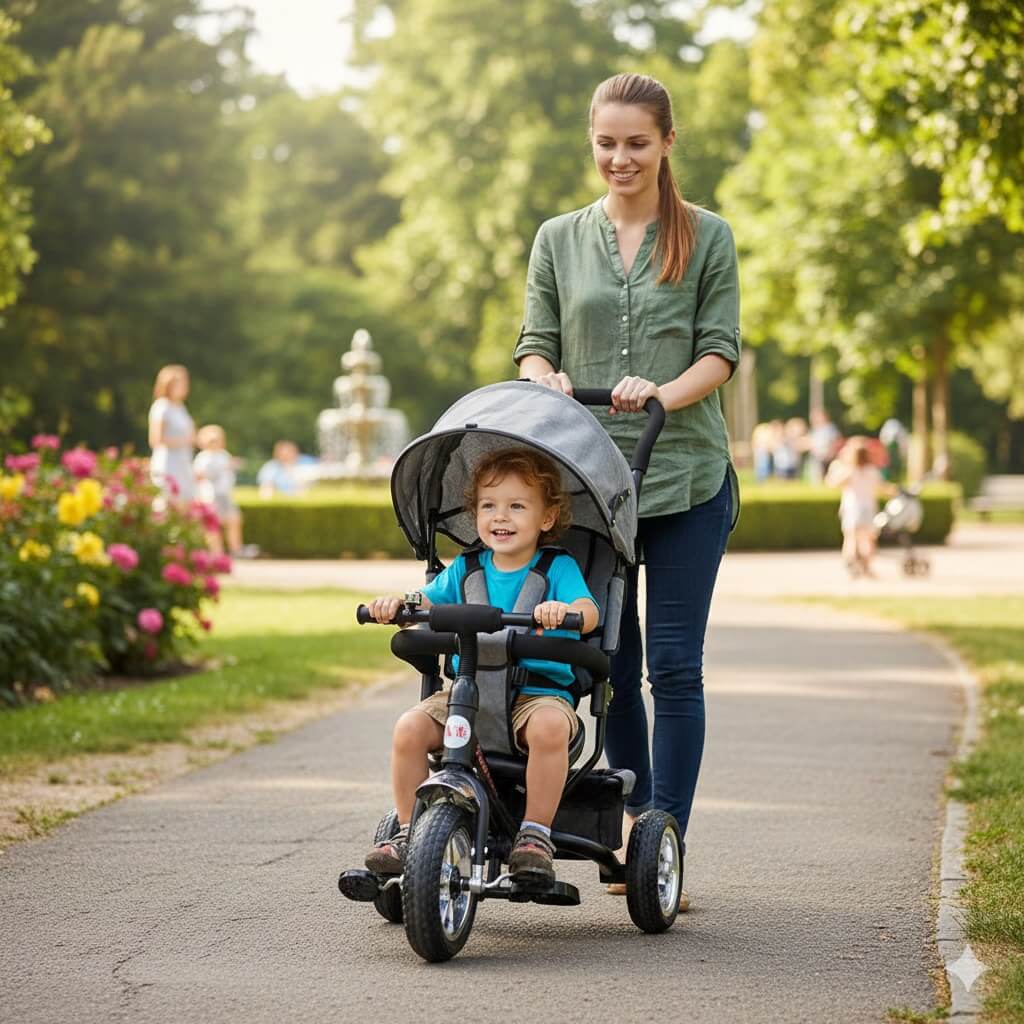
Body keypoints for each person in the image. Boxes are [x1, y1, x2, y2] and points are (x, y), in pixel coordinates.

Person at [513, 73, 740, 910]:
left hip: (682, 476)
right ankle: (631, 828)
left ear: (667, 144)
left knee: (675, 668)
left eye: (637, 143)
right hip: (588, 484)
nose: (620, 158)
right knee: (610, 663)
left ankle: (666, 838)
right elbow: (534, 342)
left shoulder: (708, 236)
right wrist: (550, 377)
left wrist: (662, 393)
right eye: (606, 143)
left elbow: (721, 351)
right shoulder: (557, 238)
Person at [363, 448, 599, 884]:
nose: (500, 517)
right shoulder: (467, 568)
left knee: (550, 727)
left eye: (516, 506)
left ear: (546, 518)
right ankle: (406, 832)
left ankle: (535, 834)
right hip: (465, 694)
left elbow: (589, 610)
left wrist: (562, 611)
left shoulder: (556, 568)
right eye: (489, 506)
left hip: (537, 693)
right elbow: (426, 599)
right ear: (475, 515)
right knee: (409, 729)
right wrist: (400, 606)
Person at [193, 425, 258, 558]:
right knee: (213, 526)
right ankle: (216, 553)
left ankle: (236, 549)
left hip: (225, 494)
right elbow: (200, 476)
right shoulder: (203, 458)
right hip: (211, 496)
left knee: (234, 520)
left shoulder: (223, 455)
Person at [825, 437, 885, 577]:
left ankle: (851, 565)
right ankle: (867, 567)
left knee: (851, 539)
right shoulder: (872, 471)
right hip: (869, 509)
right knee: (868, 540)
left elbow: (832, 483)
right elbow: (882, 488)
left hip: (852, 509)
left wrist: (835, 467)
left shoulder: (849, 471)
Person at [148, 364, 196, 505]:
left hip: (184, 463)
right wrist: (185, 441)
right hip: (168, 464)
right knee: (167, 503)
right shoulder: (162, 407)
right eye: (178, 383)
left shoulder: (181, 407)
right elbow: (156, 440)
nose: (183, 387)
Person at [807, 408, 841, 483]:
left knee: (828, 475)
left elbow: (836, 441)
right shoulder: (815, 429)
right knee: (818, 475)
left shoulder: (831, 428)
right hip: (817, 456)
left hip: (828, 455)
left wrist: (832, 452)